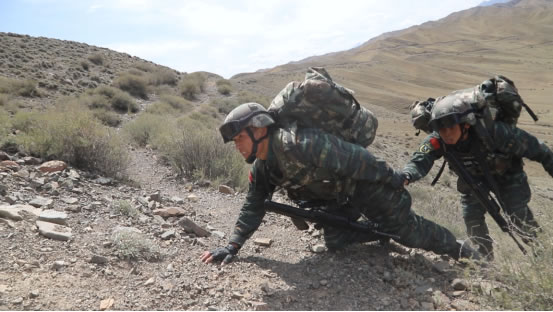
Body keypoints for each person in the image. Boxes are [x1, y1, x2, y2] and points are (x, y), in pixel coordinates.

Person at [200, 102, 480, 265]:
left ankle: (463, 251)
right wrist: (233, 246)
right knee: (336, 239)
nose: (237, 146)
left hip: (366, 185)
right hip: (338, 199)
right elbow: (254, 204)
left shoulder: (298, 144)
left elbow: (356, 158)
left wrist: (393, 178)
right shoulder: (263, 167)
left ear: (259, 129)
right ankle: (380, 233)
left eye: (239, 139)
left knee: (409, 233)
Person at [402, 93, 553, 260]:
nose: (447, 134)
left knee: (518, 216)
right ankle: (484, 261)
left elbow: (537, 148)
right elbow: (419, 160)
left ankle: (545, 255)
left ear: (465, 124)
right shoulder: (437, 139)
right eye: (441, 129)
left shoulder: (493, 132)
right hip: (473, 180)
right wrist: (406, 175)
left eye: (451, 127)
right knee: (472, 219)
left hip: (506, 177)